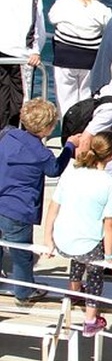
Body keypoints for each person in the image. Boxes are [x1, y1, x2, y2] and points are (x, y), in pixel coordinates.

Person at [0, 98, 78, 305]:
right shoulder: (41, 153)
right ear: (47, 129)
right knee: (21, 253)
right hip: (18, 210)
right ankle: (24, 292)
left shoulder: (8, 136)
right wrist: (70, 146)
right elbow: (54, 169)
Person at [42, 131, 112, 336]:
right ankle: (90, 319)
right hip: (87, 247)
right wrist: (109, 257)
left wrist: (47, 239)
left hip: (62, 241)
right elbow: (110, 224)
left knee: (78, 253)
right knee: (95, 273)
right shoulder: (110, 183)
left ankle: (74, 290)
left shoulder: (72, 173)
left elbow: (53, 207)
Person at [48, 0, 112, 116]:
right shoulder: (101, 8)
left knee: (65, 100)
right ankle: (83, 132)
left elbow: (52, 18)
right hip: (89, 60)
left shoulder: (61, 4)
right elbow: (109, 26)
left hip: (63, 58)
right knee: (85, 98)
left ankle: (68, 133)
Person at [0, 0, 48, 128]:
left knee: (3, 95)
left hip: (2, 45)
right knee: (21, 98)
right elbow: (33, 19)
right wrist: (34, 49)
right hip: (19, 51)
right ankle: (14, 136)